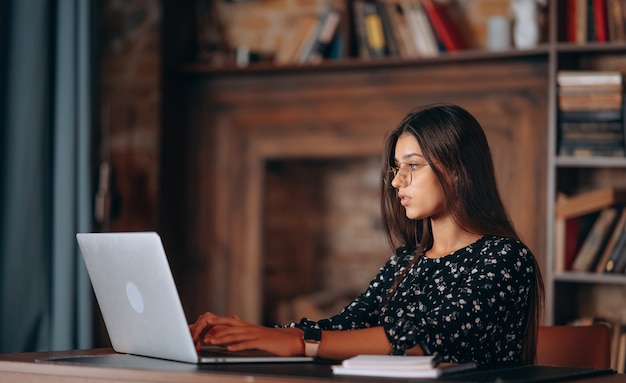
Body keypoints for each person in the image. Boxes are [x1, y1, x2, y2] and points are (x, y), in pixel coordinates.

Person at [190, 103, 544, 366]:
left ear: (456, 170)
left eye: (412, 166)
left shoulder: (505, 258)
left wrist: (300, 341)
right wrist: (258, 334)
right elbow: (350, 323)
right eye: (395, 168)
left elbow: (426, 338)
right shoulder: (408, 259)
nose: (396, 181)